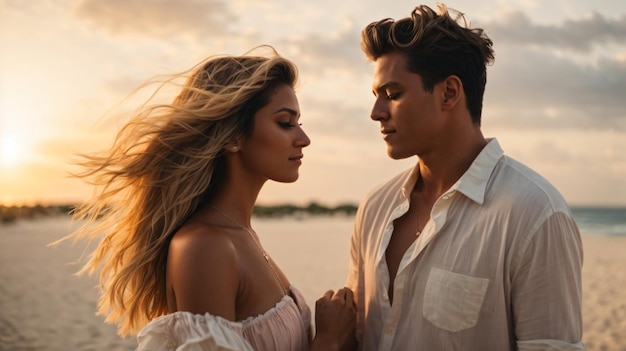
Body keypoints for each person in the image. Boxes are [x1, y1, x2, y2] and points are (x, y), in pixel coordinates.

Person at [62, 46, 356, 351]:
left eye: (299, 123)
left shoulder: (242, 235)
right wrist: (329, 342)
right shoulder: (205, 247)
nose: (303, 139)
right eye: (285, 123)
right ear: (232, 137)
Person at [345, 4, 584, 351]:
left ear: (449, 93)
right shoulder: (374, 208)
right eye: (376, 95)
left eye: (393, 94)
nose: (376, 112)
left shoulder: (535, 215)